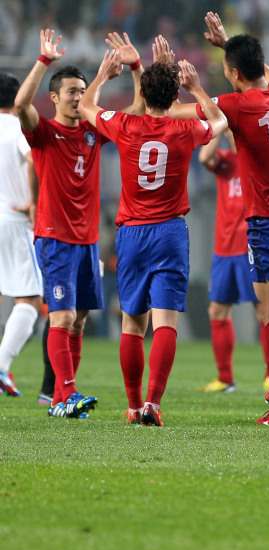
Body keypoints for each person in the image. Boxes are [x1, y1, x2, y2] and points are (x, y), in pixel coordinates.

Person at [171, 13, 269, 425]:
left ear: (233, 73)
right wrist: (228, 47)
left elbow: (197, 116)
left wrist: (195, 88)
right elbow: (264, 73)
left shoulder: (238, 104)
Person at [78, 48, 226, 426]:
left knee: (132, 323)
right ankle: (153, 405)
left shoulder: (124, 126)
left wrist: (103, 73)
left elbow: (86, 107)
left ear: (141, 96)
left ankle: (132, 404)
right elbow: (220, 120)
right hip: (170, 233)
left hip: (131, 234)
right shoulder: (185, 129)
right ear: (174, 95)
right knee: (165, 324)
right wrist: (195, 87)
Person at [14, 29, 144, 419]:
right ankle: (66, 393)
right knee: (63, 316)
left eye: (81, 91)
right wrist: (43, 62)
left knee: (80, 319)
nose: (76, 97)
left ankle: (58, 399)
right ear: (54, 97)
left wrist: (135, 67)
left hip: (87, 240)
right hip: (54, 238)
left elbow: (138, 111)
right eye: (70, 91)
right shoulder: (43, 133)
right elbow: (21, 103)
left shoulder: (92, 131)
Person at [197, 129, 267, 394]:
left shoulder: (259, 160)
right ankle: (225, 378)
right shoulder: (224, 160)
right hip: (224, 248)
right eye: (228, 131)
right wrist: (217, 128)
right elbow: (204, 157)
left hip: (253, 246)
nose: (231, 135)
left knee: (263, 311)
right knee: (217, 310)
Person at [0, 73, 43, 398]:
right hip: (14, 220)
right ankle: (1, 366)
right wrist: (33, 200)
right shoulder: (17, 129)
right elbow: (32, 160)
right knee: (29, 297)